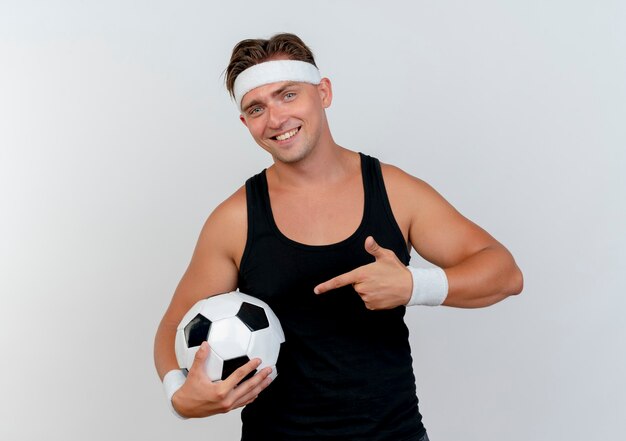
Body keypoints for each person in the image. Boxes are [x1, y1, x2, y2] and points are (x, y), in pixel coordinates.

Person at [153, 33, 523, 441]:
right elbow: (173, 324)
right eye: (257, 108)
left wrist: (414, 284)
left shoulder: (395, 192)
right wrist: (178, 395)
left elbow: (504, 273)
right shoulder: (235, 219)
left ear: (323, 92)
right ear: (246, 123)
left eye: (288, 95)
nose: (275, 119)